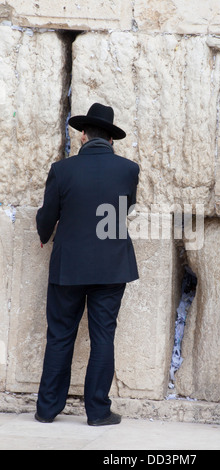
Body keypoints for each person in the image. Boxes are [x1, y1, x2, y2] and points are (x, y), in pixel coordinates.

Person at [35, 103, 140, 426]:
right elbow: (126, 207)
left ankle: (47, 409)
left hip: (69, 267)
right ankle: (98, 411)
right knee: (103, 337)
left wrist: (44, 232)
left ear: (83, 135)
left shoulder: (62, 169)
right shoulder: (128, 169)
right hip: (111, 267)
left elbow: (47, 213)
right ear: (111, 140)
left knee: (60, 336)